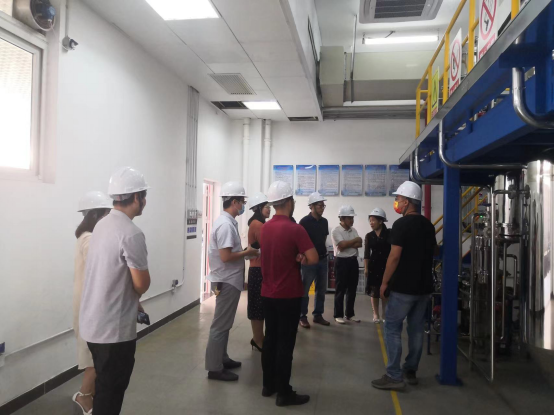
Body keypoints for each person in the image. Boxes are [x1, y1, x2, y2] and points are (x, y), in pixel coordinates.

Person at [80, 167, 152, 415]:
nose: (145, 201)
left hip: (93, 325)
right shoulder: (131, 233)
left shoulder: (101, 226)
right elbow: (141, 284)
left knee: (104, 387)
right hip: (114, 331)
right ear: (137, 197)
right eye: (144, 195)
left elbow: (110, 274)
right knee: (110, 394)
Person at [372, 181, 437, 391]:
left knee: (392, 328)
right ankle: (410, 371)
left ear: (407, 202)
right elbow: (433, 253)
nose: (397, 202)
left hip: (403, 288)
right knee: (416, 329)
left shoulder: (401, 225)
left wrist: (384, 282)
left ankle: (394, 376)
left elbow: (394, 257)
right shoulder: (428, 225)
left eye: (398, 199)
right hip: (424, 287)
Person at [260, 181, 318, 407]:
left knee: (270, 339)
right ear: (289, 202)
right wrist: (301, 257)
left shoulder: (265, 228)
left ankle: (268, 385)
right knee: (285, 343)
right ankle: (284, 393)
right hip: (289, 295)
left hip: (268, 293)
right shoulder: (296, 229)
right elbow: (313, 258)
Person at [205, 182, 259, 382]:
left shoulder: (227, 222)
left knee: (225, 323)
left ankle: (222, 358)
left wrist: (244, 252)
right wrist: (248, 252)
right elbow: (226, 257)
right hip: (226, 281)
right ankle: (214, 368)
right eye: (242, 202)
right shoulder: (226, 225)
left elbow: (229, 253)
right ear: (234, 202)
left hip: (228, 280)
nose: (243, 205)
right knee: (220, 325)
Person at [72, 191, 112, 415]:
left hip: (89, 304)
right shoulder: (89, 239)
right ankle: (84, 397)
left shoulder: (87, 237)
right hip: (89, 306)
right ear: (96, 215)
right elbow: (101, 270)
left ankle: (90, 394)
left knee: (96, 355)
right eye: (106, 214)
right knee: (95, 358)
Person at [299, 192, 331, 329]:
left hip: (323, 260)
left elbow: (323, 239)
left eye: (323, 205)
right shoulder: (304, 222)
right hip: (308, 262)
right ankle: (302, 316)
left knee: (321, 289)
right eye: (319, 205)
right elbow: (300, 242)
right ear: (311, 206)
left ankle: (318, 315)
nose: (322, 208)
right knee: (305, 289)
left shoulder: (324, 222)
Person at [247, 192, 271, 353]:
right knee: (257, 306)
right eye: (266, 207)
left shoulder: (258, 223)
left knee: (259, 305)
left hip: (258, 268)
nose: (269, 209)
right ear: (258, 208)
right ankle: (257, 339)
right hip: (258, 269)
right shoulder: (258, 225)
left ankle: (258, 338)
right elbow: (268, 246)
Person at [332, 206, 363, 325]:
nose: (352, 220)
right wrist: (353, 241)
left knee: (352, 289)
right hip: (341, 262)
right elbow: (342, 246)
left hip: (353, 261)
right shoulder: (336, 231)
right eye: (349, 218)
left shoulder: (353, 230)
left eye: (352, 218)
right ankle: (338, 315)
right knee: (340, 289)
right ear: (342, 218)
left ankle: (349, 314)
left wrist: (347, 243)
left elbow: (360, 243)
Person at [364, 208, 391, 325]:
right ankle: (375, 314)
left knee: (385, 291)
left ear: (381, 221)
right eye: (370, 220)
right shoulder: (369, 236)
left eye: (373, 220)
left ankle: (384, 314)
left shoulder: (389, 233)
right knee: (374, 291)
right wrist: (366, 268)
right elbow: (366, 254)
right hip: (373, 266)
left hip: (386, 265)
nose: (371, 223)